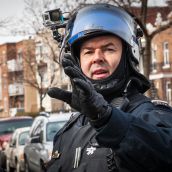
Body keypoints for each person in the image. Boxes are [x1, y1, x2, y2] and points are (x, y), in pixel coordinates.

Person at [46, 4, 172, 172]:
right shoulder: (67, 130)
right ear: (76, 60)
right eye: (88, 52)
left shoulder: (150, 114)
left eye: (108, 49)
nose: (97, 58)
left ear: (129, 54)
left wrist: (108, 120)